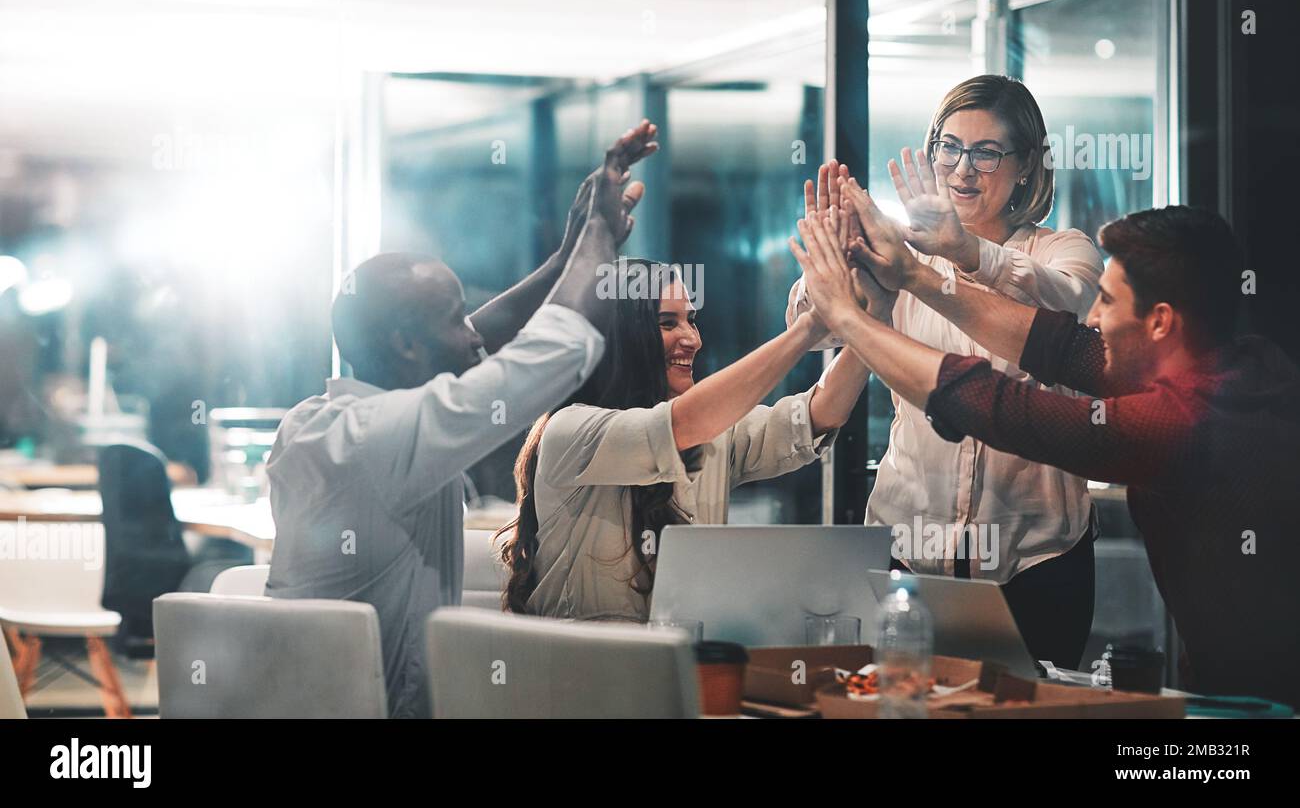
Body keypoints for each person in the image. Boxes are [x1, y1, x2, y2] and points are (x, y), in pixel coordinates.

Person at [794, 190, 1300, 705]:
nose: (1094, 317)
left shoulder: (1182, 422)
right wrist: (916, 275)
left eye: (1107, 300)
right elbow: (1058, 346)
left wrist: (853, 320)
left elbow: (1005, 408)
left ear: (1161, 322)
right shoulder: (1244, 365)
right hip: (1232, 682)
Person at [264, 121, 657, 718]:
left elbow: (482, 339)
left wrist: (567, 255)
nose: (471, 332)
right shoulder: (379, 438)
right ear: (405, 346)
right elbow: (540, 359)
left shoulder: (320, 423)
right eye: (453, 316)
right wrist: (600, 236)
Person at [787, 75, 1103, 669]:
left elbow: (1065, 314)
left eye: (986, 152)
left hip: (1038, 561)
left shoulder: (1064, 249)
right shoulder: (902, 254)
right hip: (908, 549)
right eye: (949, 147)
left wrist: (965, 254)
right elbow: (818, 330)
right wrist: (837, 259)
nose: (963, 170)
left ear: (1027, 166)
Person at [498, 208, 881, 622]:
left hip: (675, 671)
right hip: (580, 676)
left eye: (692, 321)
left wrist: (876, 314)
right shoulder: (570, 430)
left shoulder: (712, 432)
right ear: (623, 337)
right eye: (667, 323)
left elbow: (818, 415)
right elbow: (682, 424)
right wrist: (809, 325)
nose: (692, 340)